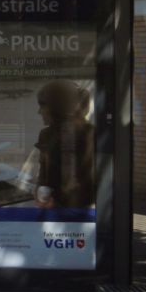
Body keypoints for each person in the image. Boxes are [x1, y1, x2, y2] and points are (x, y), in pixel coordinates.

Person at [33, 80, 95, 209]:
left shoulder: (90, 134)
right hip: (53, 210)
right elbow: (44, 176)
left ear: (57, 107)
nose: (40, 112)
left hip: (80, 212)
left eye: (43, 106)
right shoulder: (46, 135)